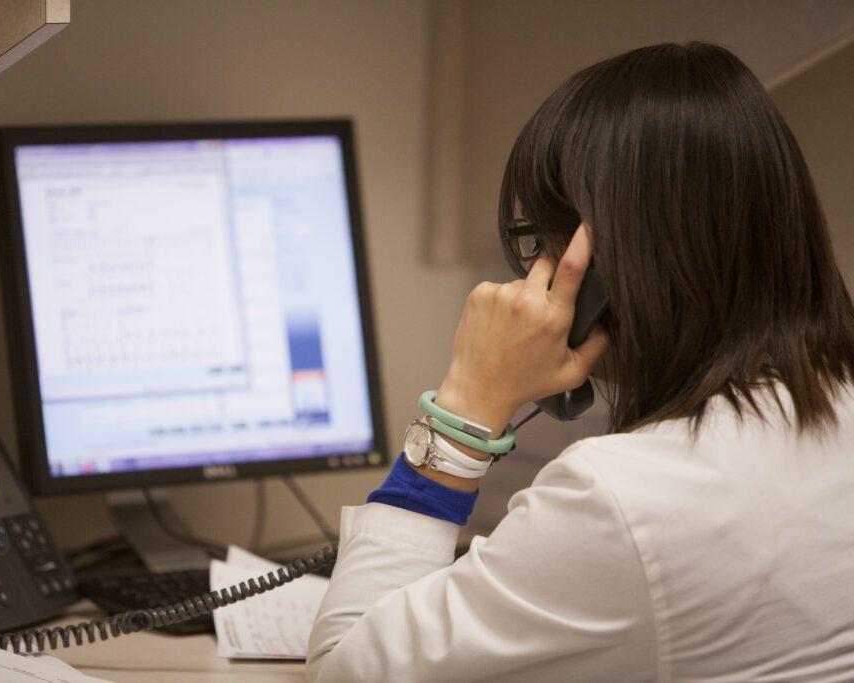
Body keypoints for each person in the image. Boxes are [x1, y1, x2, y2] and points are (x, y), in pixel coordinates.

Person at [306, 42, 854, 682]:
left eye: (547, 240)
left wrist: (465, 407)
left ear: (599, 267)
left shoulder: (624, 499)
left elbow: (344, 670)